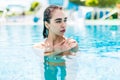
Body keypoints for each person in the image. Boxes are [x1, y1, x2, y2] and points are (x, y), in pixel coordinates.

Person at [33, 5, 78, 80]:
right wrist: (58, 51)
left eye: (65, 20)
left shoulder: (71, 44)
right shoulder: (38, 47)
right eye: (58, 21)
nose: (63, 25)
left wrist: (53, 52)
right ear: (47, 24)